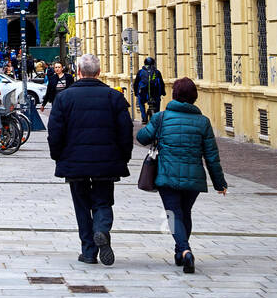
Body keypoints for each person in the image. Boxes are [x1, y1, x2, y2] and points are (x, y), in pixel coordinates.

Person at [47, 54, 133, 266]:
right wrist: (124, 156)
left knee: (82, 205)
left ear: (78, 72)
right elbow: (126, 131)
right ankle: (101, 229)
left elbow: (55, 132)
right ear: (99, 72)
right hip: (106, 160)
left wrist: (58, 156)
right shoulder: (114, 97)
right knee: (103, 201)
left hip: (75, 161)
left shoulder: (64, 98)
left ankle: (88, 251)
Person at [136, 77, 227, 273]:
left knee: (173, 214)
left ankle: (185, 251)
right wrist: (219, 183)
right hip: (193, 178)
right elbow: (212, 156)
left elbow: (142, 137)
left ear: (174, 95)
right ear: (194, 97)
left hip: (167, 176)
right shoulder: (203, 122)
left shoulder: (161, 118)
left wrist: (153, 128)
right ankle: (180, 253)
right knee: (185, 213)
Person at [134, 57, 166, 124]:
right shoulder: (157, 72)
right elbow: (161, 83)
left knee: (141, 103)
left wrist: (136, 93)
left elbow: (136, 83)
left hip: (143, 94)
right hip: (155, 94)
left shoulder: (140, 72)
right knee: (157, 102)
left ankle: (144, 118)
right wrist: (163, 92)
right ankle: (156, 116)